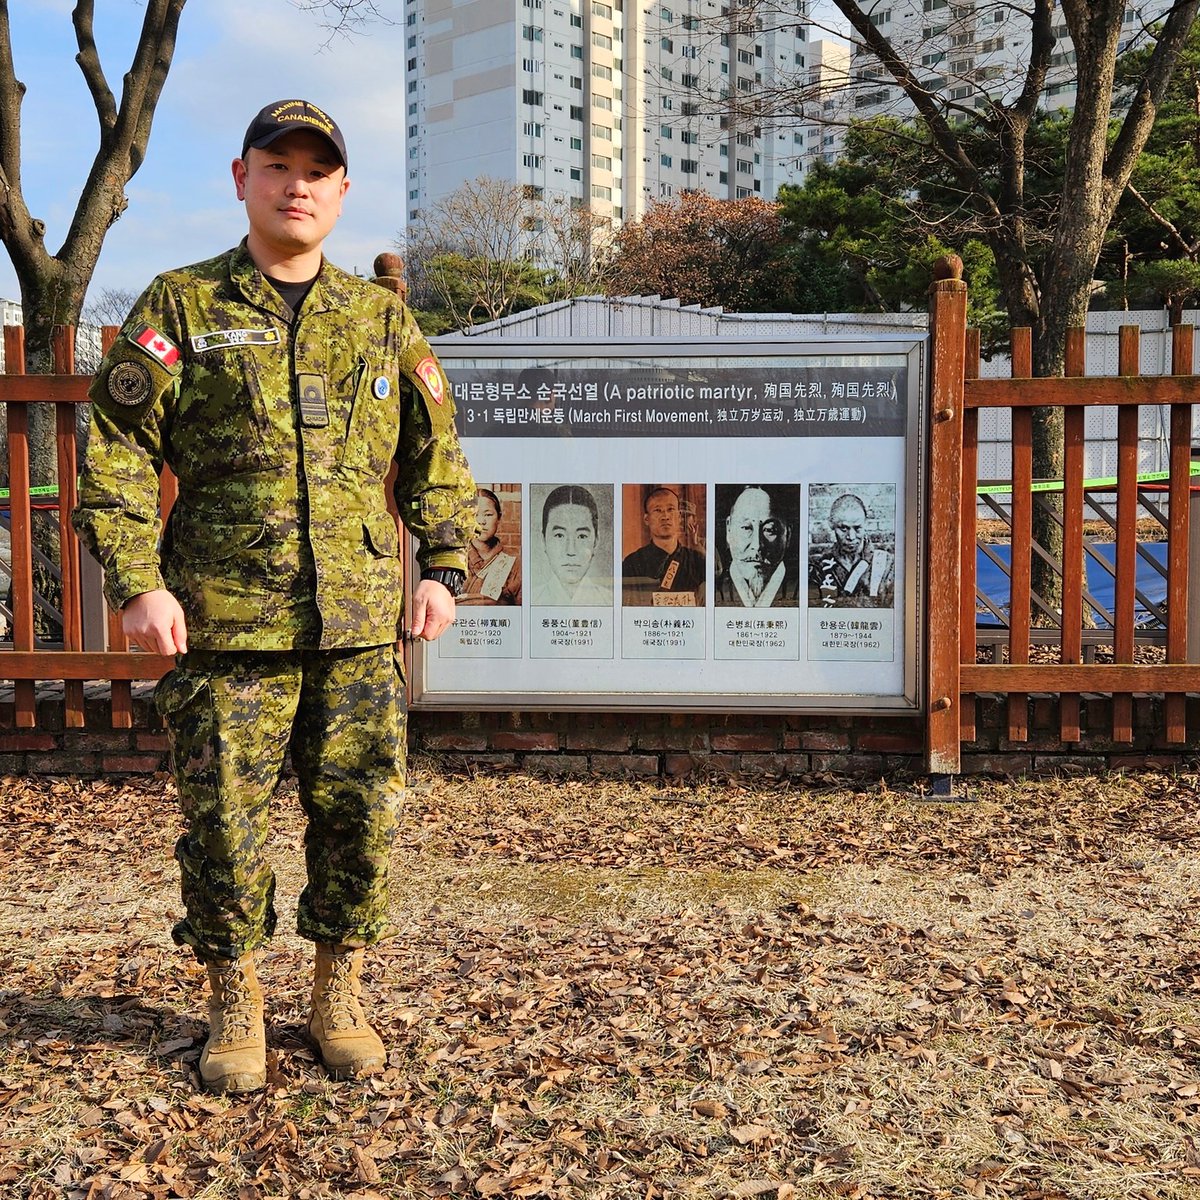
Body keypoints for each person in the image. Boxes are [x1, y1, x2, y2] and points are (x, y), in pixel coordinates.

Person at [72, 99, 476, 1094]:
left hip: (353, 636)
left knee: (358, 820)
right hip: (224, 631)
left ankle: (339, 991)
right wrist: (138, 583)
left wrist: (445, 564)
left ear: (342, 191)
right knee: (223, 826)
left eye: (317, 170)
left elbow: (437, 459)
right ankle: (236, 1001)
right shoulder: (180, 307)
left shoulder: (380, 320)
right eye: (277, 164)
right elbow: (115, 454)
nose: (298, 183)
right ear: (241, 178)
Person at [714, 485, 799, 607]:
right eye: (746, 528)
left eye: (769, 530)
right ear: (729, 530)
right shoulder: (709, 591)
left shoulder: (812, 590)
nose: (757, 545)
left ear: (788, 535)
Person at [621, 486, 705, 605]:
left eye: (670, 509)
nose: (665, 516)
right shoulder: (632, 563)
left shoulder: (697, 561)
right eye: (657, 510)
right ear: (646, 519)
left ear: (679, 516)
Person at [809, 492, 895, 608]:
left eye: (857, 528)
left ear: (866, 524)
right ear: (831, 524)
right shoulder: (820, 567)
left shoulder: (887, 563)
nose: (851, 536)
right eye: (843, 528)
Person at [532, 484, 610, 604]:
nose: (571, 551)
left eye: (582, 536)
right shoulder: (531, 599)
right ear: (543, 540)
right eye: (559, 535)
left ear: (596, 540)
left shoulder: (611, 601)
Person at [459, 487, 521, 606]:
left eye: (488, 514)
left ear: (499, 517)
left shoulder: (514, 563)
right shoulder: (455, 558)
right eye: (474, 514)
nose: (481, 521)